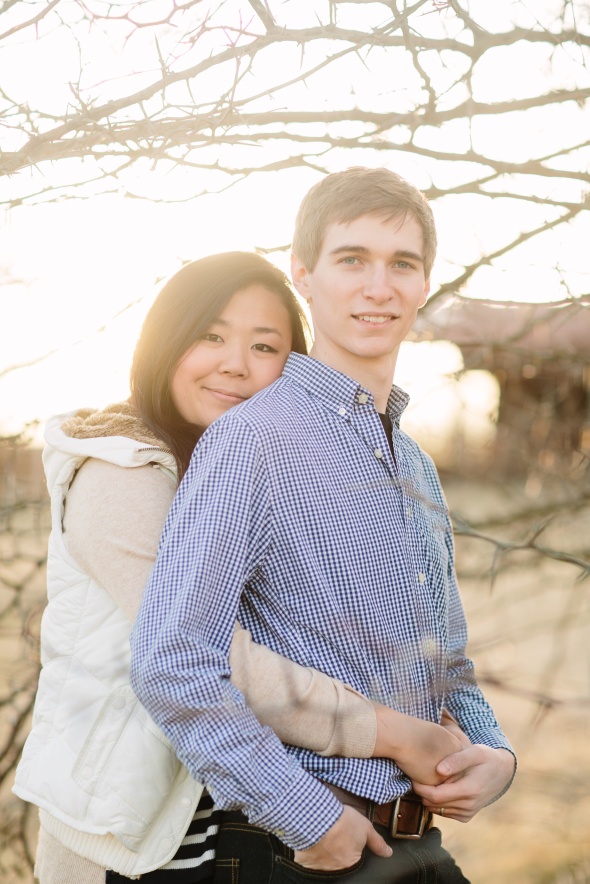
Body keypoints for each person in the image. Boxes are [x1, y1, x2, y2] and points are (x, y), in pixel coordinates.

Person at [13, 250, 463, 884]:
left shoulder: (260, 472)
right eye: (211, 336)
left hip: (241, 815)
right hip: (135, 838)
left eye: (265, 346)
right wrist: (391, 735)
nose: (235, 363)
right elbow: (211, 656)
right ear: (165, 343)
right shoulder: (120, 473)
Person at [129, 168, 516, 884]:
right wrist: (303, 815)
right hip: (305, 852)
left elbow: (447, 665)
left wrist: (495, 756)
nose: (379, 286)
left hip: (420, 847)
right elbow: (172, 659)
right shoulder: (252, 440)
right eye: (352, 260)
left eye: (402, 264)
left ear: (425, 283)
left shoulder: (418, 467)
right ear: (304, 275)